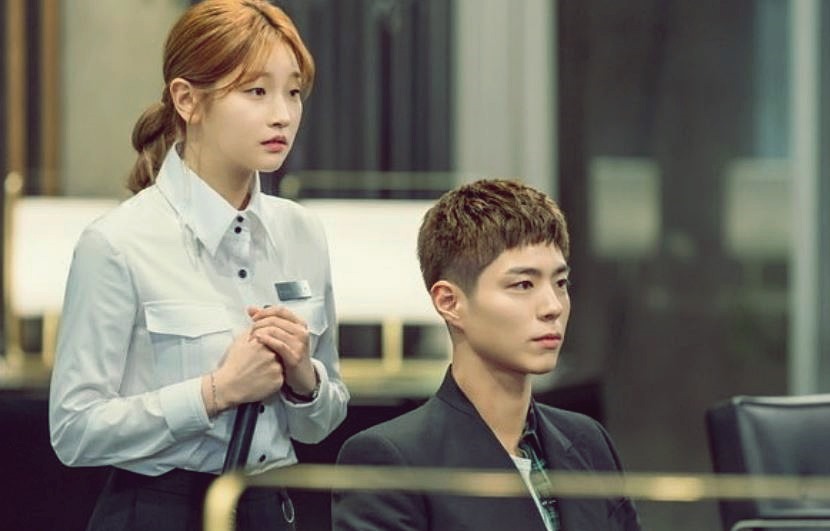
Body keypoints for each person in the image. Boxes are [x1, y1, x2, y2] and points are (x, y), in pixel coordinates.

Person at [48, 1, 349, 530]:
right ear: (188, 99)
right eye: (256, 91)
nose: (282, 114)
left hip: (271, 507)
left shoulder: (303, 232)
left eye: (294, 91)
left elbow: (320, 423)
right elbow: (74, 431)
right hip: (157, 510)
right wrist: (215, 392)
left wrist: (305, 380)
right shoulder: (117, 242)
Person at [331, 179, 641, 530]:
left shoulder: (588, 442)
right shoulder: (392, 459)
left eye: (560, 283)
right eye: (523, 284)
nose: (553, 306)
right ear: (450, 302)